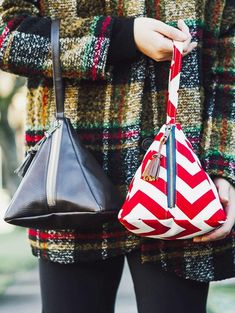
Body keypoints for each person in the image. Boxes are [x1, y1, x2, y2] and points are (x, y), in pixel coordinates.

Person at [0, 1, 234, 313]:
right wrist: (123, 36)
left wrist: (224, 165)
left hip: (185, 182)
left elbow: (228, 53)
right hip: (70, 181)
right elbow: (7, 37)